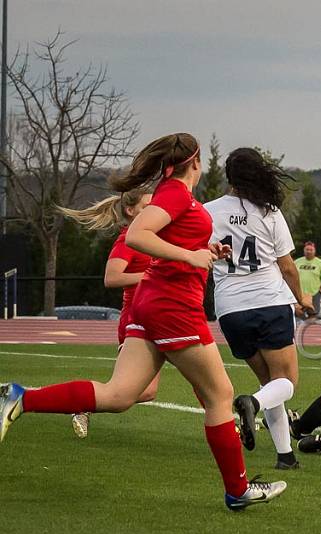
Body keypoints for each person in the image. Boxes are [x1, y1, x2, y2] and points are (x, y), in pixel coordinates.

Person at [0, 132, 286, 511]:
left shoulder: (174, 194)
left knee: (118, 395)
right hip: (174, 306)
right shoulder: (176, 193)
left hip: (151, 305)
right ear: (196, 163)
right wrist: (189, 257)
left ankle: (19, 396)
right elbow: (137, 235)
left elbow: (161, 239)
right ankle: (238, 491)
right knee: (219, 395)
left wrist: (204, 251)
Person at [206, 147, 312, 470]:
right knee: (287, 382)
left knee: (271, 382)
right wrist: (302, 298)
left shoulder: (207, 211)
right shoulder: (269, 212)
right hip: (268, 302)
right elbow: (288, 266)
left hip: (229, 311)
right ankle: (250, 402)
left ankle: (285, 456)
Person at [57, 188, 161, 438]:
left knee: (147, 392)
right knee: (122, 390)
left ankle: (84, 404)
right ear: (130, 210)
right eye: (146, 207)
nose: (153, 212)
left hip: (154, 316)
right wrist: (152, 276)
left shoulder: (150, 237)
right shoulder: (128, 239)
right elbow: (112, 277)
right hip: (135, 318)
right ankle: (230, 423)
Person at [295, 241, 321, 320]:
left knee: (313, 314)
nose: (309, 252)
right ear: (304, 250)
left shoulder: (320, 263)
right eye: (307, 249)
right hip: (299, 293)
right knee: (297, 311)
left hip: (314, 293)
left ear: (314, 251)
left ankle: (308, 328)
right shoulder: (297, 262)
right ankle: (303, 323)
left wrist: (320, 292)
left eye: (311, 250)